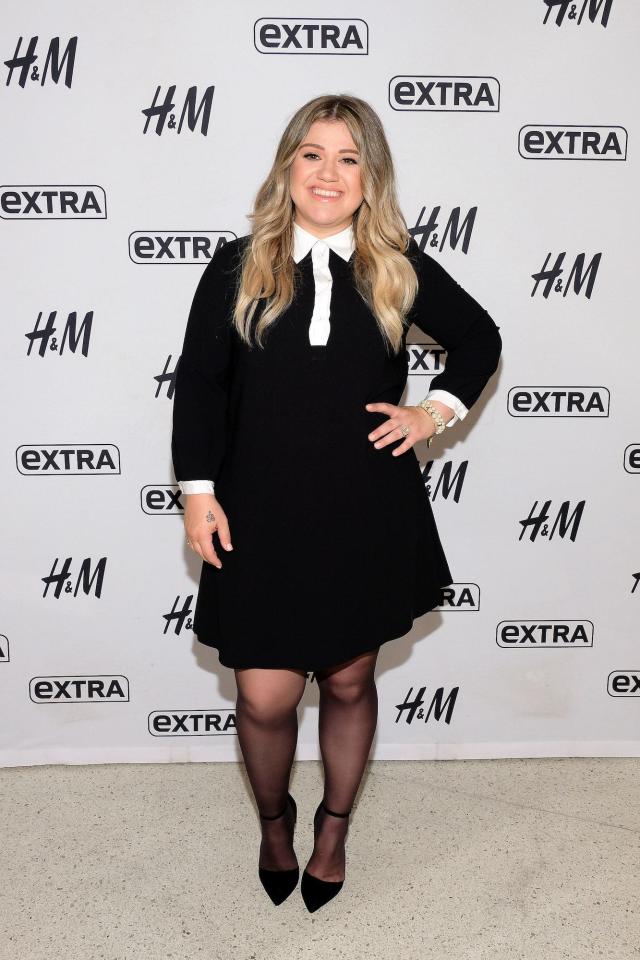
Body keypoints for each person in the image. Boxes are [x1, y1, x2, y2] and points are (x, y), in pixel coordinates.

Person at [171, 93, 502, 912]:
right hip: (259, 512)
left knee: (350, 684)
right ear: (289, 166)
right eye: (313, 154)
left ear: (370, 178)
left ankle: (334, 832)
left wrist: (435, 410)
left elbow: (480, 337)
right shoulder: (236, 265)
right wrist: (197, 492)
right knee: (264, 695)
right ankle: (276, 824)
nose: (329, 172)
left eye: (348, 158)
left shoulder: (396, 266)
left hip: (363, 511)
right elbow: (201, 390)